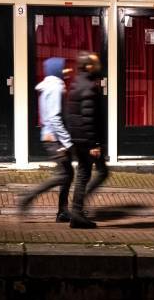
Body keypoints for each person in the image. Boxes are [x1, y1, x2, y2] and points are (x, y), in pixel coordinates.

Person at [18, 57, 74, 222]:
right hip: (55, 139)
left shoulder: (49, 86)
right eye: (63, 69)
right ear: (56, 70)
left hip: (52, 137)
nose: (66, 72)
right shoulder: (55, 88)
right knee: (64, 175)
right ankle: (29, 196)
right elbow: (55, 117)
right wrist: (67, 141)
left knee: (67, 173)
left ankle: (62, 212)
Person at [64, 51, 108, 229]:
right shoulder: (89, 86)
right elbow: (88, 117)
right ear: (88, 66)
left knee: (87, 173)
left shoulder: (77, 82)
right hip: (87, 142)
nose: (98, 67)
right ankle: (78, 212)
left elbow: (72, 114)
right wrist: (94, 144)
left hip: (78, 139)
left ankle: (78, 212)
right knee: (89, 174)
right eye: (95, 64)